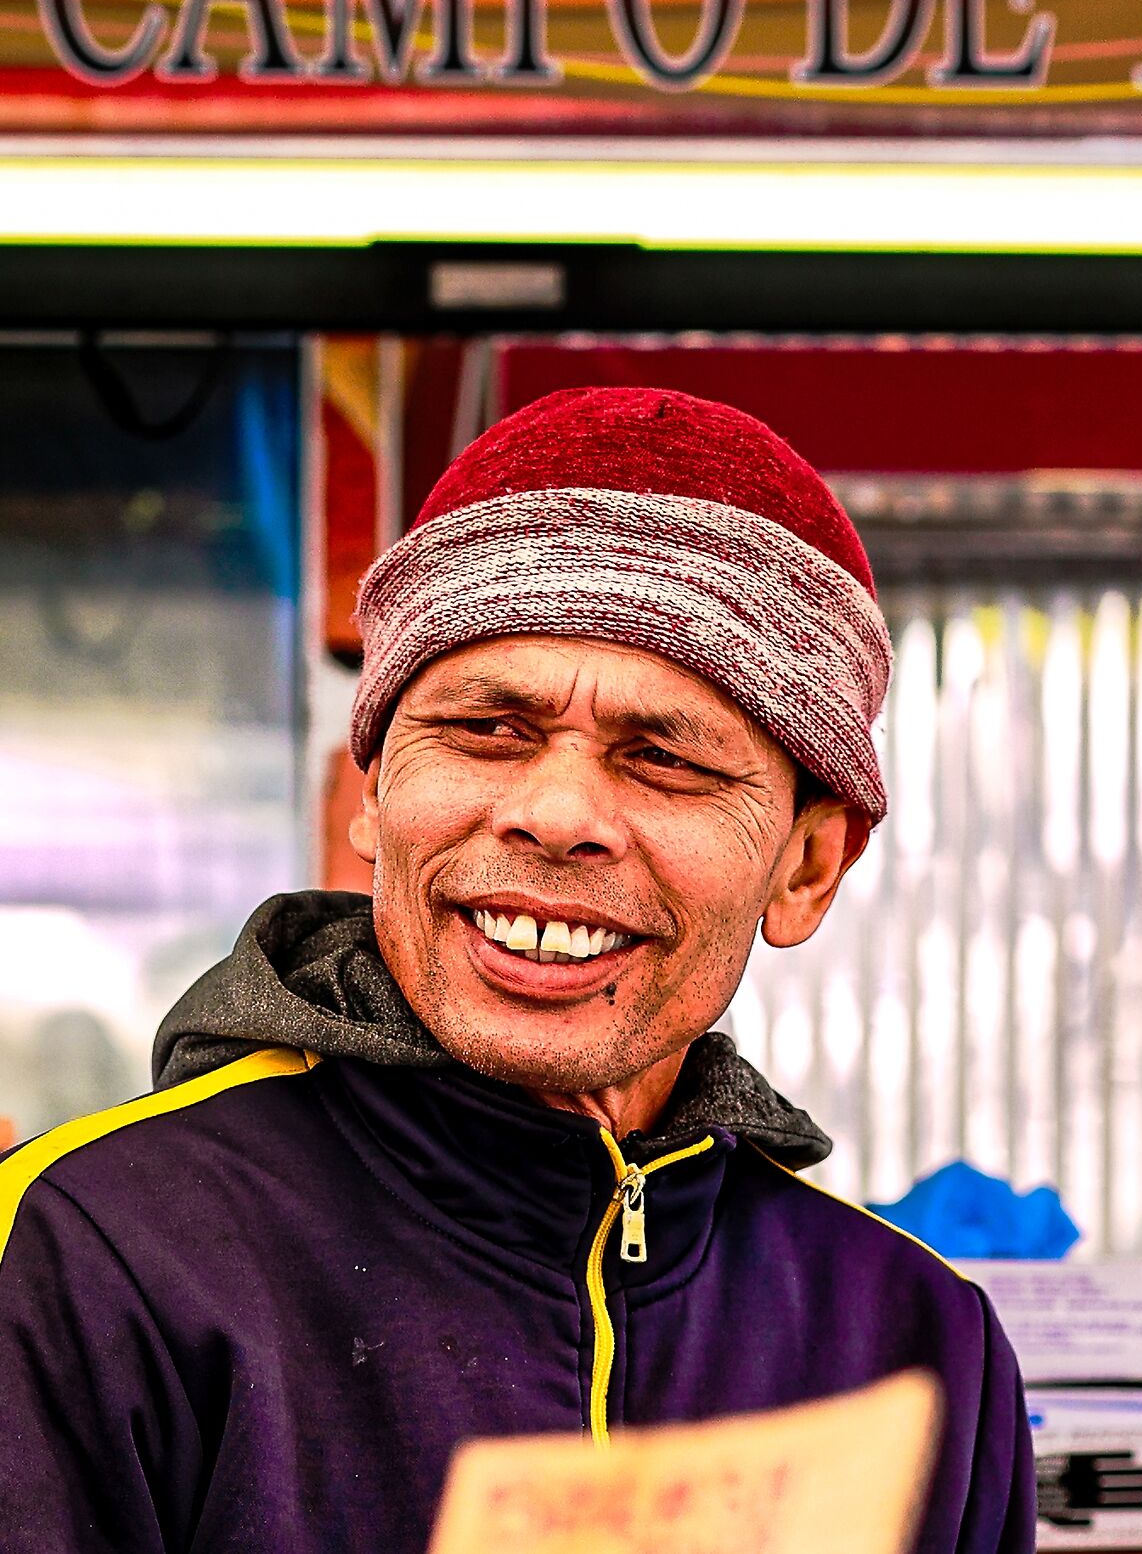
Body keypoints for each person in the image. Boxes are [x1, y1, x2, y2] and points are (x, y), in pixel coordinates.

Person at [0, 388, 1034, 1554]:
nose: (556, 813)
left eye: (665, 757)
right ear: (374, 794)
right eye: (487, 728)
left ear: (805, 865)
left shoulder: (912, 1339)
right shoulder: (90, 1250)